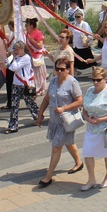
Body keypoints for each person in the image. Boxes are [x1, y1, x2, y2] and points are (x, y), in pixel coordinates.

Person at [35, 58, 84, 187]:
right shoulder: (53, 81)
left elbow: (80, 101)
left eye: (62, 69)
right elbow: (47, 98)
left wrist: (64, 108)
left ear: (68, 69)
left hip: (65, 120)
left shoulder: (72, 82)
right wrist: (40, 115)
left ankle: (48, 176)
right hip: (54, 121)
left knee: (56, 147)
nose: (59, 71)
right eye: (57, 69)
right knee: (68, 142)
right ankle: (79, 162)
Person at [80, 67, 107, 191]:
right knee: (87, 153)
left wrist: (101, 120)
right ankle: (91, 178)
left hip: (106, 130)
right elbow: (84, 109)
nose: (95, 83)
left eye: (98, 80)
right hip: (91, 129)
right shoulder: (89, 91)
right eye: (93, 80)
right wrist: (87, 118)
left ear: (105, 79)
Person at [5, 41, 40, 134]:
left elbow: (14, 67)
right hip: (16, 84)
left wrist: (10, 61)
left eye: (17, 49)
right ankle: (13, 125)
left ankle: (38, 115)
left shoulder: (26, 58)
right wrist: (10, 58)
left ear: (22, 49)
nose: (15, 51)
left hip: (24, 84)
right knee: (14, 105)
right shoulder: (16, 57)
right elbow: (7, 64)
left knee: (30, 102)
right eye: (14, 49)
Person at [25, 18, 47, 97]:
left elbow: (40, 46)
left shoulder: (38, 33)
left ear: (31, 26)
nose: (25, 27)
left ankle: (41, 89)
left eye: (27, 25)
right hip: (30, 56)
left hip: (37, 57)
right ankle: (34, 88)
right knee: (33, 74)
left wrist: (32, 40)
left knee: (39, 74)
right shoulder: (27, 33)